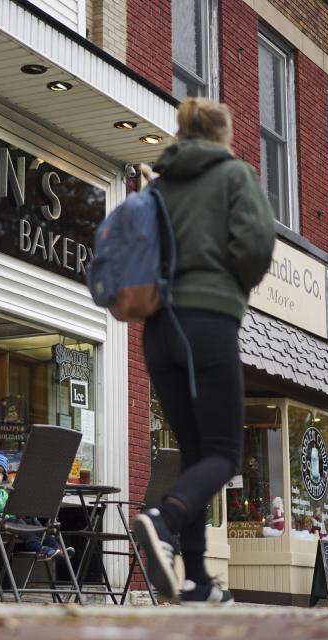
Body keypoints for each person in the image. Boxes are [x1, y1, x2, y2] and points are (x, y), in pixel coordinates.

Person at [133, 97, 275, 605]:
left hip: (157, 329)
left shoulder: (160, 181)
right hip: (208, 324)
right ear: (223, 133)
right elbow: (257, 245)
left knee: (196, 453)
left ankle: (196, 579)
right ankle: (163, 518)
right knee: (223, 453)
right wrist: (231, 285)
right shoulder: (235, 175)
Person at [0, 451, 70, 560]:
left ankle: (57, 548)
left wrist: (18, 513)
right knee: (18, 523)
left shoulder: (1, 491)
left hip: (3, 524)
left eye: (0, 473)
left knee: (31, 521)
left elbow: (9, 510)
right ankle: (40, 549)